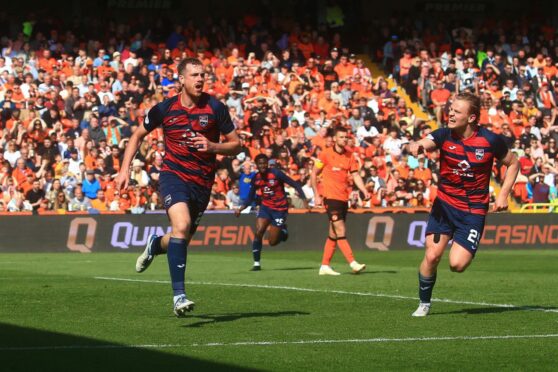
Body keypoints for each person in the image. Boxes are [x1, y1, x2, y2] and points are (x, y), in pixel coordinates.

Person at [114, 58, 240, 317]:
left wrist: (213, 146)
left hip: (203, 183)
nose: (200, 79)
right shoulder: (164, 108)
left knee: (182, 237)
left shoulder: (215, 107)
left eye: (202, 75)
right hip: (173, 175)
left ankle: (155, 244)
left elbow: (236, 144)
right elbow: (137, 135)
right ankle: (178, 296)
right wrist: (124, 169)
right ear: (181, 79)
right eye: (194, 75)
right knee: (181, 226)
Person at [408, 92, 520, 317]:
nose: (450, 113)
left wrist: (503, 195)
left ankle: (457, 243)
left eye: (457, 111)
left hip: (472, 212)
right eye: (451, 109)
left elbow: (514, 163)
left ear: (471, 118)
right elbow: (427, 141)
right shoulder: (443, 135)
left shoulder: (490, 140)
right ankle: (424, 303)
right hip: (444, 206)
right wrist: (419, 145)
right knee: (431, 256)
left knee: (457, 264)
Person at [311, 126, 369, 276]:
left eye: (346, 137)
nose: (344, 139)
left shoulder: (350, 155)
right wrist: (316, 194)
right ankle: (352, 262)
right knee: (341, 230)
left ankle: (324, 266)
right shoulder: (325, 154)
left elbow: (355, 175)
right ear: (335, 138)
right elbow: (314, 173)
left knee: (333, 233)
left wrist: (364, 190)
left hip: (344, 198)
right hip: (330, 197)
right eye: (341, 137)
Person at [235, 154, 308, 271]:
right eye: (260, 163)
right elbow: (250, 197)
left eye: (264, 163)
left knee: (272, 242)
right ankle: (256, 263)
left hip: (280, 209)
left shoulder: (276, 173)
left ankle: (283, 232)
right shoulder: (256, 178)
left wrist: (304, 199)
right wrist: (241, 208)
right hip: (266, 208)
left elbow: (294, 184)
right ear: (257, 165)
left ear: (267, 163)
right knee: (259, 232)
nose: (262, 165)